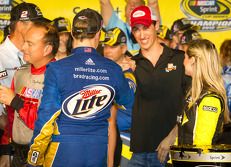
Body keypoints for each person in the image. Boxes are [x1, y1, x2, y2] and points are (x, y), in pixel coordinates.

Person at [27, 8, 133, 167]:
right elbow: (129, 105)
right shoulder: (114, 70)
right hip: (98, 152)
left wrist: (33, 158)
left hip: (63, 151)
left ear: (71, 32)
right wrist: (129, 75)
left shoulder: (57, 69)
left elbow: (46, 118)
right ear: (98, 34)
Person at [127, 6, 190, 166]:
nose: (142, 35)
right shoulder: (130, 64)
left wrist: (174, 134)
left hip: (171, 150)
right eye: (136, 29)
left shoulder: (179, 59)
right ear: (132, 33)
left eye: (146, 27)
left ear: (156, 27)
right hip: (139, 152)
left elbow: (193, 101)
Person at [0, 21, 58, 167]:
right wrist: (6, 149)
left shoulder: (59, 76)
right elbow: (11, 118)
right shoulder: (20, 72)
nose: (23, 47)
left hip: (44, 155)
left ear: (47, 49)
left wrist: (16, 101)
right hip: (18, 153)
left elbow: (46, 123)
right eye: (24, 42)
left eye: (30, 44)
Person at [177, 39, 231, 146]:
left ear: (192, 60)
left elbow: (202, 145)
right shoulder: (194, 93)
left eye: (185, 57)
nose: (182, 62)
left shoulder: (210, 99)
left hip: (198, 162)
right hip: (185, 161)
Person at [103, 27, 136, 166]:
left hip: (126, 138)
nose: (108, 50)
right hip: (105, 136)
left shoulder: (130, 71)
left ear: (123, 48)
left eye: (113, 46)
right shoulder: (103, 69)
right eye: (106, 46)